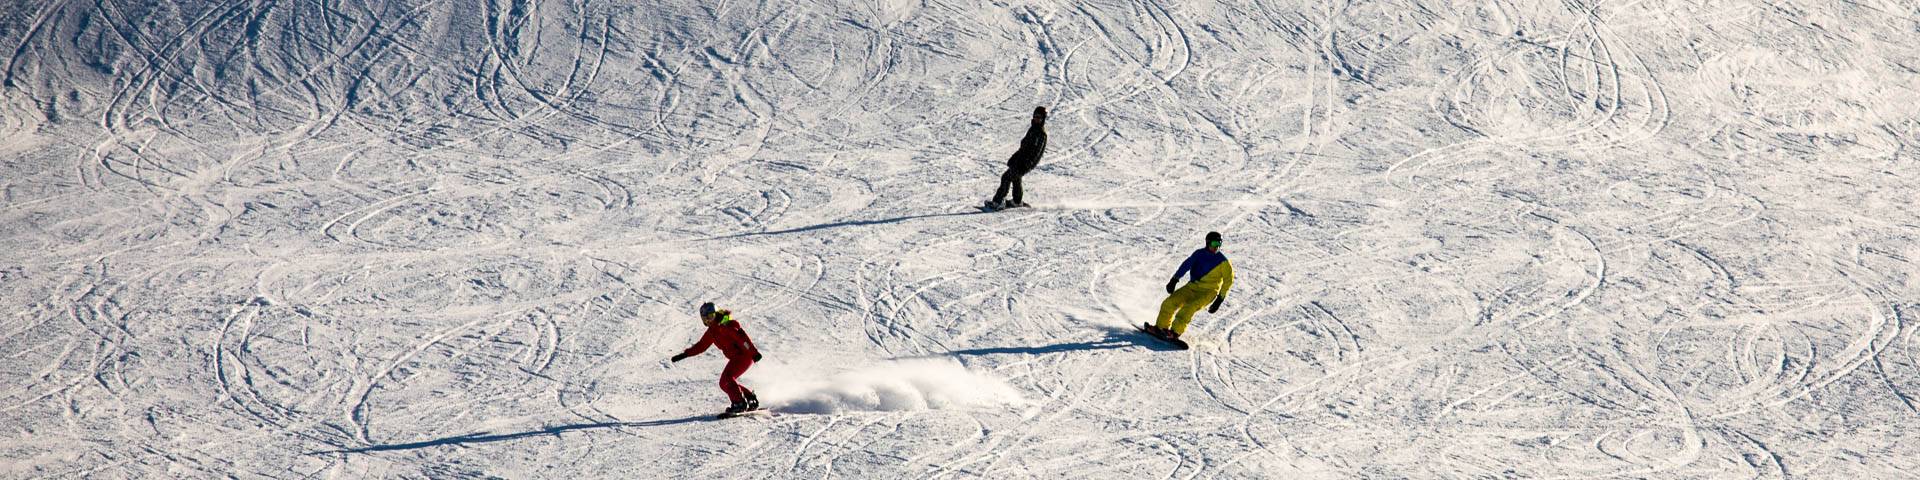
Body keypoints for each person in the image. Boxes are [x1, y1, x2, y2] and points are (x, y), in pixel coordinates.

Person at [670, 302, 763, 413]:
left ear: (717, 314)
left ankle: (739, 403)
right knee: (724, 383)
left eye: (710, 317)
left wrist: (753, 352)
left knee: (727, 378)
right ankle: (749, 398)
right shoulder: (712, 332)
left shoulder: (728, 325)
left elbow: (743, 339)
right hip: (735, 358)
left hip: (744, 356)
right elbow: (701, 345)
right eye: (705, 319)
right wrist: (686, 354)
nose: (708, 320)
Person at [1149, 232, 1234, 339]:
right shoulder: (1199, 254)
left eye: (1219, 243)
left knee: (1188, 308)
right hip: (1192, 287)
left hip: (1208, 292)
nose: (1216, 246)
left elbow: (1228, 281)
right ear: (1207, 243)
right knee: (1169, 302)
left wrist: (1219, 299)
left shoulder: (1223, 262)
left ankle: (1175, 332)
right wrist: (1174, 279)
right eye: (1214, 243)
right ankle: (1161, 328)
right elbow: (1186, 265)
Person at [986, 106, 1049, 210]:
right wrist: (1014, 158)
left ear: (1043, 119)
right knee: (1016, 178)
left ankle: (998, 202)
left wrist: (1027, 164)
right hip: (1021, 160)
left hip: (1026, 163)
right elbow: (1024, 147)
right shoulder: (1033, 129)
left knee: (1006, 177)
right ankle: (1017, 201)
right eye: (1035, 116)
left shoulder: (1041, 133)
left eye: (1039, 117)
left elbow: (1036, 153)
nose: (1037, 119)